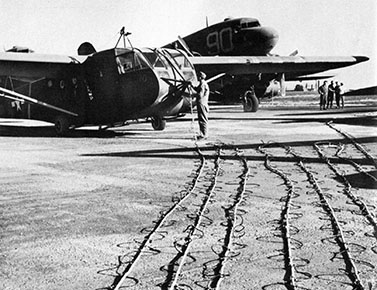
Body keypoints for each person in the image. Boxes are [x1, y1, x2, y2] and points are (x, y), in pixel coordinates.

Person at [194, 71, 210, 139]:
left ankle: (204, 134)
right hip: (203, 103)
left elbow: (200, 95)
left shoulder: (202, 84)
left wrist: (191, 95)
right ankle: (203, 133)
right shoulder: (202, 84)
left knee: (202, 119)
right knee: (202, 119)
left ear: (200, 77)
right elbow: (198, 90)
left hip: (202, 103)